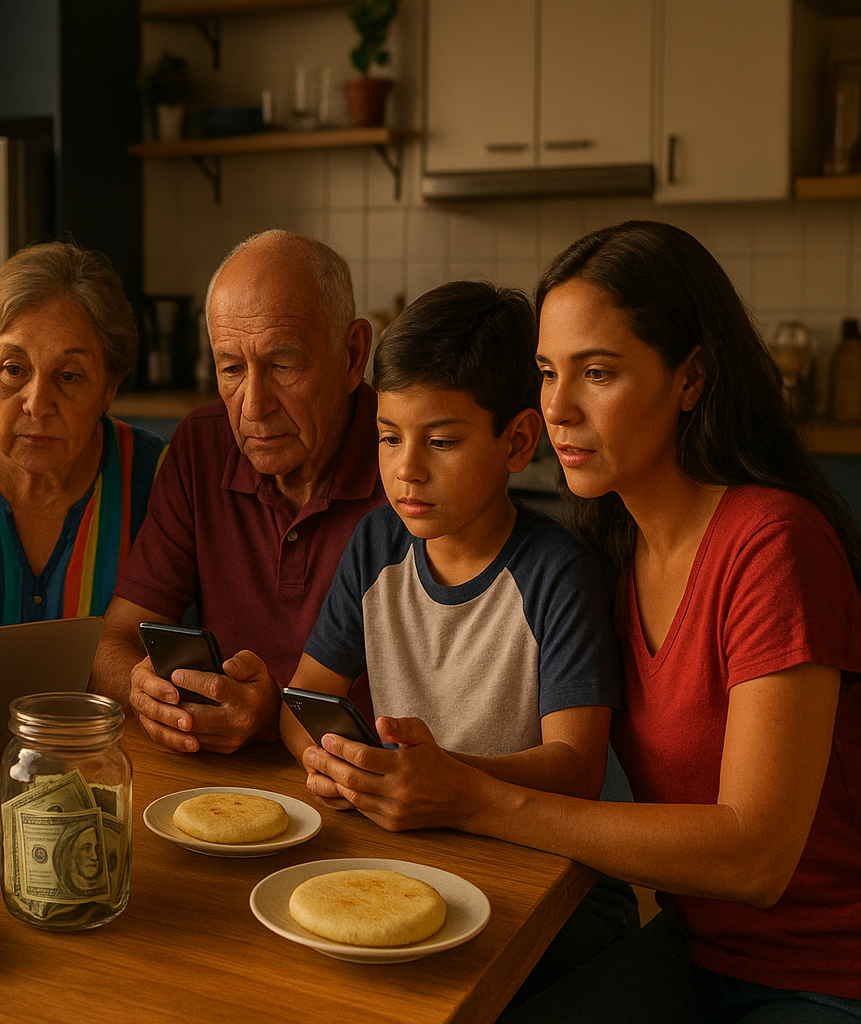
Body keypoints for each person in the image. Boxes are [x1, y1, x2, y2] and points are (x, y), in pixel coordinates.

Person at [309, 222, 861, 1021]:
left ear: (692, 377)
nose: (558, 408)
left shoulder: (772, 544)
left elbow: (756, 858)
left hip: (826, 971)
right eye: (546, 372)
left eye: (597, 372)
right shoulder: (615, 547)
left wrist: (475, 799)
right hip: (697, 948)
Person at [279, 280, 636, 1003]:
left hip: (551, 889)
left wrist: (444, 782)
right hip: (410, 864)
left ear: (517, 441)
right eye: (388, 436)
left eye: (441, 440)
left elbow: (577, 769)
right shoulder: (375, 544)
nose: (407, 467)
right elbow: (301, 701)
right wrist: (334, 764)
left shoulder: (555, 571)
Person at [90, 230, 385, 754]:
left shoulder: (405, 463)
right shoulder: (202, 447)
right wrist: (144, 692)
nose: (252, 407)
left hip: (358, 792)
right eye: (231, 369)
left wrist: (280, 720)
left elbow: (436, 713)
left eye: (282, 365)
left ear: (352, 354)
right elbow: (116, 642)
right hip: (221, 783)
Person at [0, 242, 166, 631]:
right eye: (13, 369)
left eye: (69, 375)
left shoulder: (155, 478)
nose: (37, 404)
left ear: (110, 388)